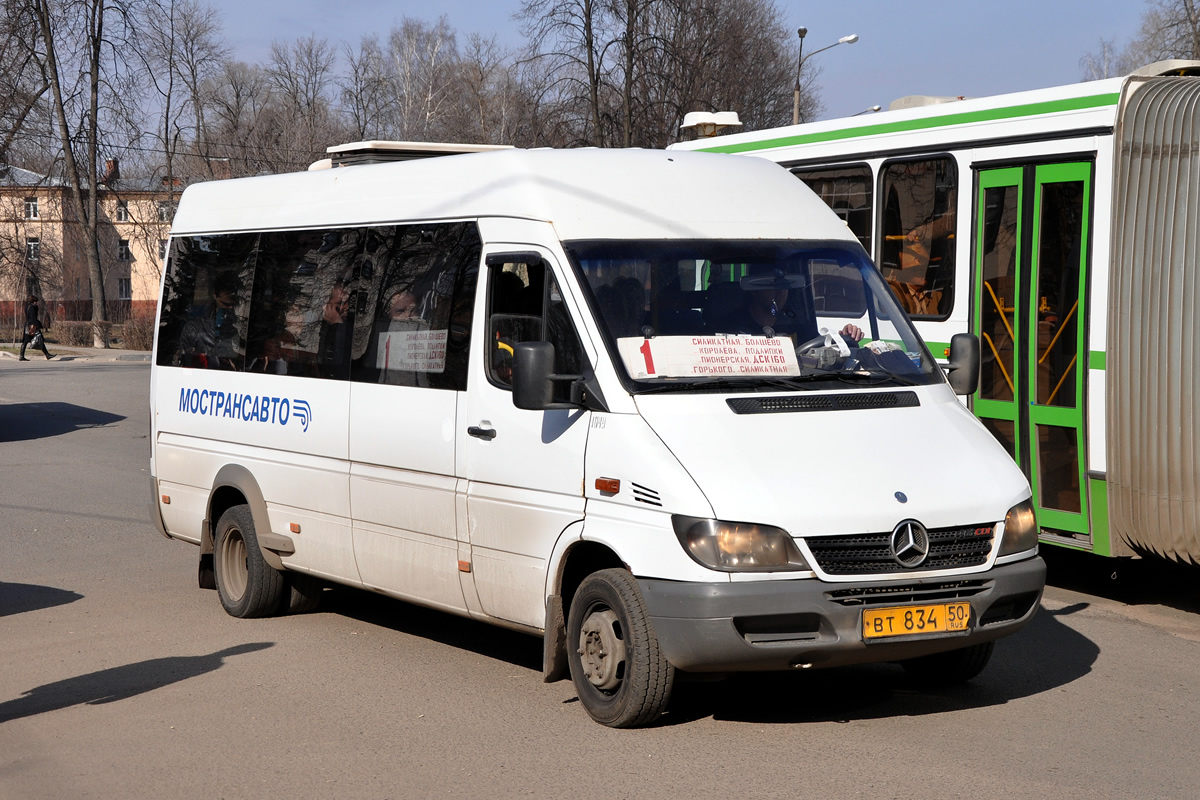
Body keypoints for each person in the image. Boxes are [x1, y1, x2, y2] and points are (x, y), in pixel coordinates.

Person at [717, 273, 863, 344]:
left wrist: (842, 337)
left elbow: (817, 350)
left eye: (785, 286)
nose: (780, 292)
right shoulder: (730, 327)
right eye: (772, 286)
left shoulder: (797, 324)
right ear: (754, 289)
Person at [19, 294, 53, 361]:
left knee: (26, 341)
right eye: (36, 301)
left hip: (27, 326)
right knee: (40, 339)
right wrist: (37, 325)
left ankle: (21, 356)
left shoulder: (27, 306)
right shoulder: (32, 307)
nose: (36, 303)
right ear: (33, 301)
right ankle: (47, 355)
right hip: (32, 326)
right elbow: (33, 317)